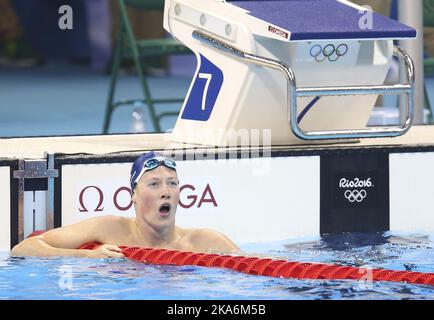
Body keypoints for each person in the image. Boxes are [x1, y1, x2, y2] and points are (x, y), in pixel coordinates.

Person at [11, 151, 240, 258]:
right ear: (133, 195)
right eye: (154, 184)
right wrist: (88, 257)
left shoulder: (206, 241)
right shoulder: (110, 229)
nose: (165, 192)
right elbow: (24, 249)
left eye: (172, 183)